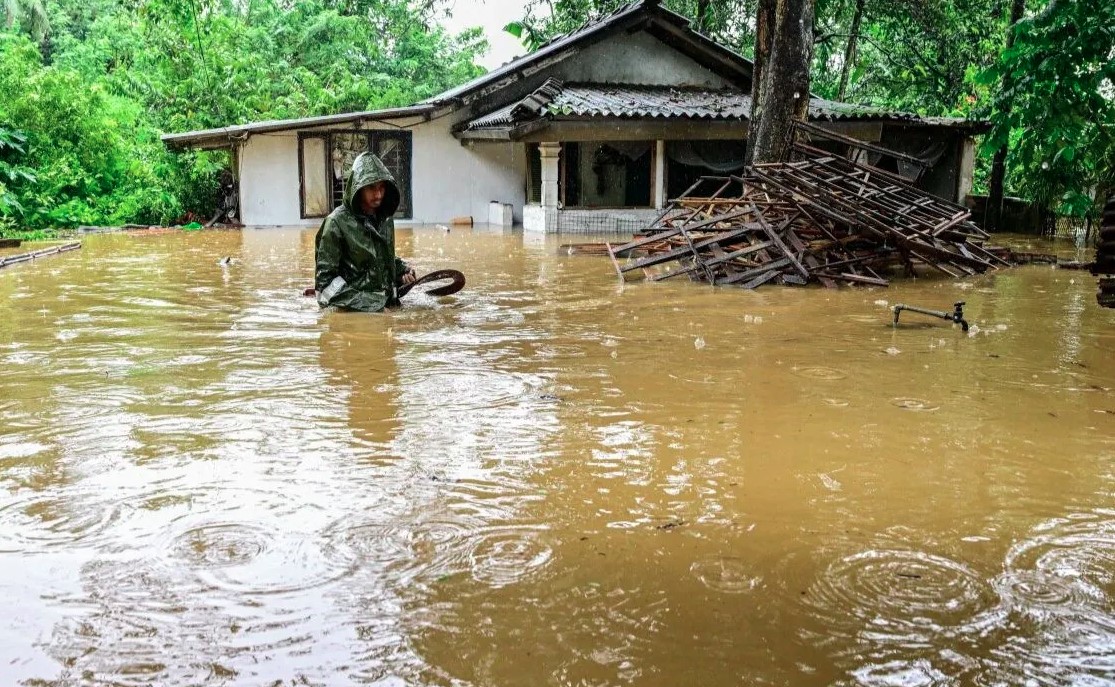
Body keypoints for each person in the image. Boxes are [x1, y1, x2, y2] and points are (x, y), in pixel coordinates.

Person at [314, 152, 416, 312]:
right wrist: (370, 306)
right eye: (371, 188)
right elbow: (325, 286)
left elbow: (380, 258)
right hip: (352, 317)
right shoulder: (335, 223)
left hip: (388, 308)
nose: (378, 194)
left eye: (382, 187)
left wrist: (402, 271)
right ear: (357, 187)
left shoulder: (386, 219)